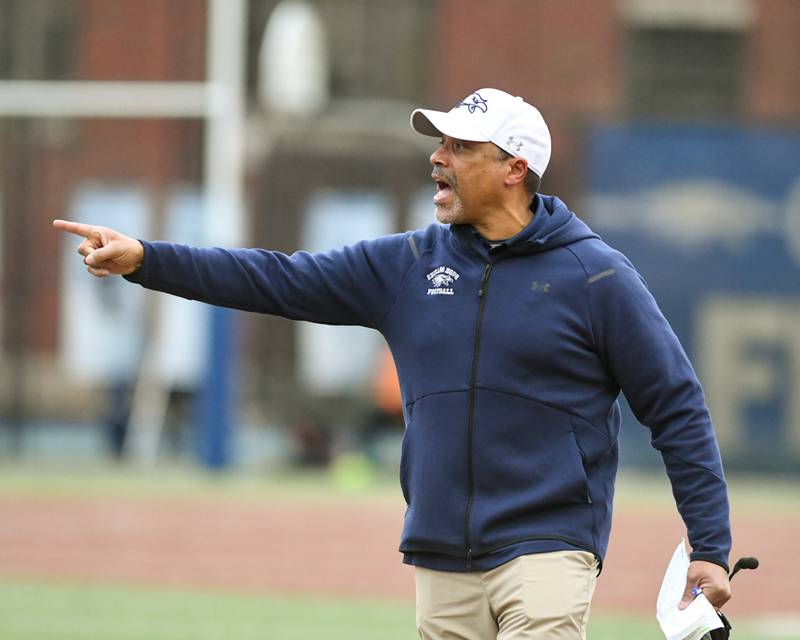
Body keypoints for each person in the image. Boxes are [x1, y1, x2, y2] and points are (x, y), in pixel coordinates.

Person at [54, 87, 732, 639]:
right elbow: (274, 278)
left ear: (514, 169)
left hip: (547, 547)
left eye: (459, 147)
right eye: (439, 143)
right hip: (440, 554)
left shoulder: (597, 278)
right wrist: (148, 259)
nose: (438, 158)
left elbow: (675, 405)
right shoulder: (405, 265)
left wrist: (709, 543)